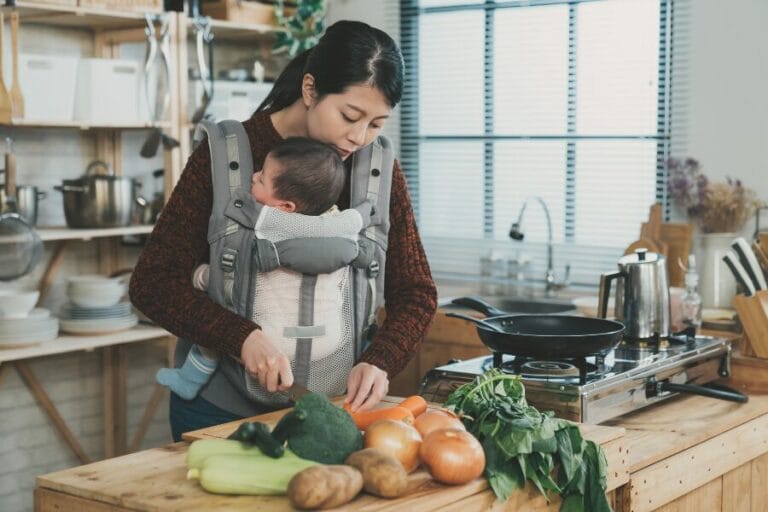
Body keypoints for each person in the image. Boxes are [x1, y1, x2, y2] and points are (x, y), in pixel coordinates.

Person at [129, 20, 437, 442]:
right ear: (310, 90)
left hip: (330, 412)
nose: (358, 137)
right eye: (350, 116)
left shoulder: (377, 171)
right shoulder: (228, 158)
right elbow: (153, 284)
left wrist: (381, 360)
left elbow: (417, 293)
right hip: (216, 414)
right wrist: (240, 337)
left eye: (376, 124)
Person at [156, 136, 349, 400]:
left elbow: (232, 275)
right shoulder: (338, 226)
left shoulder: (262, 230)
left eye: (261, 179)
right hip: (329, 340)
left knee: (217, 319)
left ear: (285, 207)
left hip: (269, 340)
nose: (254, 175)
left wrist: (199, 276)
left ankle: (190, 378)